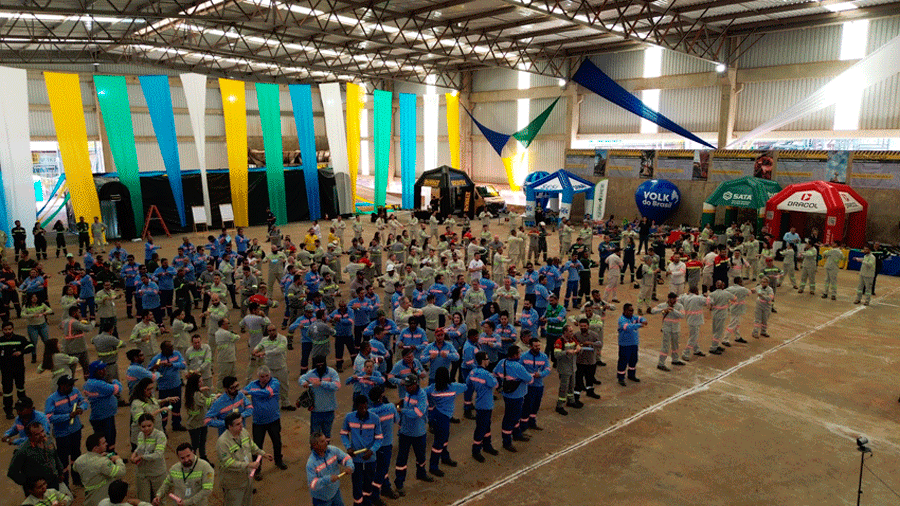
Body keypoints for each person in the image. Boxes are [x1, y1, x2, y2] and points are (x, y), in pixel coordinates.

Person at [216, 412, 271, 506]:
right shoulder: (222, 442)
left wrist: (263, 453)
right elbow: (228, 463)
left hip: (247, 477)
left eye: (241, 422)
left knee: (247, 501)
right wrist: (248, 465)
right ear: (230, 426)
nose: (241, 425)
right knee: (234, 503)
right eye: (238, 424)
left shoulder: (244, 432)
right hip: (233, 482)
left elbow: (252, 446)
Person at [244, 365, 287, 477]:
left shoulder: (275, 383)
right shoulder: (252, 384)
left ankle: (278, 461)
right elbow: (243, 392)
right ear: (258, 376)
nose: (265, 379)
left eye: (267, 376)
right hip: (258, 422)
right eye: (262, 377)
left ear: (270, 375)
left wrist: (251, 392)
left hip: (273, 420)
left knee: (277, 442)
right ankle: (257, 469)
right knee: (257, 447)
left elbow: (267, 392)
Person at [339, 394, 382, 505]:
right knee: (356, 483)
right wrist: (348, 447)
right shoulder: (349, 417)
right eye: (361, 408)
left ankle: (367, 503)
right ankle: (358, 503)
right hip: (356, 460)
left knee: (368, 483)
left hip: (370, 459)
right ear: (356, 407)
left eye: (365, 407)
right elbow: (343, 434)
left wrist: (372, 450)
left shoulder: (375, 418)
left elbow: (379, 438)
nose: (364, 410)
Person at [393, 374, 433, 493]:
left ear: (415, 384)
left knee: (421, 456)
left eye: (409, 386)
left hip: (418, 433)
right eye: (406, 386)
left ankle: (421, 473)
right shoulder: (408, 393)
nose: (406, 388)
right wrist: (402, 404)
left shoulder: (422, 395)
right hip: (405, 432)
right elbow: (408, 405)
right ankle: (399, 482)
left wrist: (402, 410)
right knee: (401, 459)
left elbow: (418, 413)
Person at [46, 374, 87, 485]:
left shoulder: (75, 391)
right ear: (62, 386)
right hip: (62, 434)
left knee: (76, 455)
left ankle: (77, 480)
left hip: (76, 430)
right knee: (63, 461)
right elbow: (49, 417)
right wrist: (68, 416)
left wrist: (81, 408)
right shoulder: (52, 399)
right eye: (69, 385)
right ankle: (65, 485)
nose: (72, 386)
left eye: (72, 384)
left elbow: (83, 401)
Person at [424, 367, 465, 476]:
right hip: (444, 418)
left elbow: (422, 393)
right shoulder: (453, 387)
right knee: (439, 442)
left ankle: (445, 457)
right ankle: (433, 466)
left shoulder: (432, 389)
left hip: (436, 415)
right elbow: (466, 386)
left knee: (443, 439)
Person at [7, 422, 66, 495]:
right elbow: (12, 473)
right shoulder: (22, 451)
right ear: (29, 436)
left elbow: (55, 456)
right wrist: (29, 485)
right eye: (37, 434)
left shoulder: (48, 441)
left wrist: (60, 472)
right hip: (37, 490)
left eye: (42, 431)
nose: (42, 435)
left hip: (53, 482)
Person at [72, 432, 126, 506]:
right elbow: (121, 472)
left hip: (89, 499)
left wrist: (99, 456)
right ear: (95, 448)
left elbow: (75, 468)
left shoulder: (79, 460)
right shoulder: (103, 462)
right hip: (102, 499)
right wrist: (118, 459)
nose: (106, 444)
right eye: (103, 443)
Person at [495, 346, 533, 451]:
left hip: (506, 394)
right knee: (511, 417)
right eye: (519, 353)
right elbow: (529, 379)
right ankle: (507, 442)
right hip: (517, 396)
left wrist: (499, 385)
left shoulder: (502, 362)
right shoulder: (518, 366)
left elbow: (495, 373)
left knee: (513, 415)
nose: (520, 355)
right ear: (515, 355)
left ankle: (517, 434)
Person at [368, 386, 399, 501]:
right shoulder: (390, 407)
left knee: (381, 468)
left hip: (373, 446)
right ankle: (374, 494)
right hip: (386, 445)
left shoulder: (369, 413)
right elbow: (397, 420)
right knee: (382, 470)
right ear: (381, 397)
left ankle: (386, 488)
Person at [83, 361, 122, 452]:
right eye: (101, 370)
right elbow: (118, 389)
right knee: (106, 440)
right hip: (103, 417)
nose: (104, 371)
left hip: (103, 415)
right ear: (95, 371)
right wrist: (115, 381)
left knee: (109, 438)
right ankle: (108, 456)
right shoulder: (97, 384)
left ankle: (111, 454)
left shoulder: (91, 382)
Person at [306, 431, 354, 506]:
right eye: (322, 441)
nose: (326, 442)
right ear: (315, 445)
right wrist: (328, 479)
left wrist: (349, 466)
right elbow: (312, 484)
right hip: (321, 500)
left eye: (325, 440)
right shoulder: (311, 463)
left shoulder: (333, 450)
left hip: (335, 493)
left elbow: (346, 458)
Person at [299, 355, 341, 439]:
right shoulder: (311, 373)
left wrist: (321, 383)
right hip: (316, 411)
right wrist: (303, 382)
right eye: (318, 365)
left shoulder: (332, 372)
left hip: (329, 410)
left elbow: (337, 385)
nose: (320, 367)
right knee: (315, 437)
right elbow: (301, 378)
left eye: (322, 365)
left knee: (327, 436)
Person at [253, 324, 292, 409]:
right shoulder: (264, 340)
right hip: (269, 368)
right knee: (270, 388)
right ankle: (272, 405)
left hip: (281, 367)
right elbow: (260, 345)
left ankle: (285, 403)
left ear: (276, 330)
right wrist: (255, 350)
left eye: (273, 330)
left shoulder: (282, 339)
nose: (272, 332)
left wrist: (265, 353)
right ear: (267, 332)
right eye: (270, 331)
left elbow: (279, 350)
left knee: (284, 386)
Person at [130, 378, 177, 449]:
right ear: (142, 390)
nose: (151, 391)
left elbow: (155, 402)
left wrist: (166, 399)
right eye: (148, 389)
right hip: (142, 440)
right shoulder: (136, 404)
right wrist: (160, 410)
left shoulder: (148, 397)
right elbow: (141, 420)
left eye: (152, 388)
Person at [149, 341, 186, 431]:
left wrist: (172, 364)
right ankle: (163, 428)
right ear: (163, 349)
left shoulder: (177, 354)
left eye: (172, 347)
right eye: (169, 348)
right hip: (164, 388)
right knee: (164, 410)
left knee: (177, 407)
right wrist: (154, 367)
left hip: (176, 386)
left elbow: (183, 365)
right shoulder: (157, 358)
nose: (172, 349)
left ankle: (176, 424)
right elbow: (148, 370)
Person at [132, 413, 168, 502]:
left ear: (153, 423)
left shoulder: (160, 435)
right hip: (142, 473)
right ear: (139, 426)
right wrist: (134, 454)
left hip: (157, 473)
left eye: (149, 425)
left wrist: (141, 457)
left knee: (160, 501)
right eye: (143, 427)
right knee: (143, 501)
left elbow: (158, 454)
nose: (146, 429)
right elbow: (139, 448)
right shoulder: (140, 435)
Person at [0, 320, 31, 419]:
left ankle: (23, 408)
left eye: (9, 329)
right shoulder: (0, 341)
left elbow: (30, 346)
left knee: (20, 388)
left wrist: (21, 352)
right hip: (6, 370)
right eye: (5, 330)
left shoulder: (20, 339)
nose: (8, 331)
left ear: (13, 329)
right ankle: (8, 411)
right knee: (7, 391)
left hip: (19, 369)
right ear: (2, 330)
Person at [650, 292, 685, 372]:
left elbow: (682, 315)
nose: (673, 300)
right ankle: (661, 363)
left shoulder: (679, 306)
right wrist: (663, 310)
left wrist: (673, 310)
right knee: (665, 346)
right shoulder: (663, 305)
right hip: (667, 328)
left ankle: (675, 359)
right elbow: (653, 310)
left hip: (676, 328)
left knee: (675, 345)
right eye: (672, 299)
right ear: (669, 299)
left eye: (674, 299)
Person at [184, 372, 213, 462]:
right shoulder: (197, 395)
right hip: (197, 424)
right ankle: (196, 459)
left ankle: (200, 458)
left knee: (198, 443)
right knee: (198, 444)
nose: (202, 383)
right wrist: (215, 397)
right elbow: (207, 402)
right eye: (200, 381)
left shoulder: (190, 392)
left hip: (197, 423)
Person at [60, 306, 94, 379]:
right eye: (78, 312)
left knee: (71, 370)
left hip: (69, 348)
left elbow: (60, 326)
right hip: (79, 348)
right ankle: (88, 382)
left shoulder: (65, 321)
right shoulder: (75, 322)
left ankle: (70, 383)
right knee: (86, 368)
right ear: (74, 313)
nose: (80, 314)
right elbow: (88, 328)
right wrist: (92, 322)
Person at [617, 304, 646, 386]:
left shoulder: (633, 317)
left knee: (633, 360)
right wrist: (639, 325)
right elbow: (627, 327)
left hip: (634, 344)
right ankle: (621, 378)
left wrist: (644, 320)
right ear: (625, 311)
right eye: (630, 310)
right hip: (625, 345)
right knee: (623, 361)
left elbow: (640, 318)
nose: (631, 312)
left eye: (632, 310)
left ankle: (631, 375)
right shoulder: (622, 320)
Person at [677, 286, 709, 360]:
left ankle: (696, 349)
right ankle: (686, 353)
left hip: (689, 319)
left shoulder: (684, 297)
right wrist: (706, 296)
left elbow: (678, 300)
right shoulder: (698, 298)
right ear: (696, 291)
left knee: (694, 335)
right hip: (695, 320)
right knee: (693, 337)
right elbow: (708, 302)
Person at [573, 319, 601, 402]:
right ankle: (576, 397)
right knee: (578, 380)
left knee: (590, 378)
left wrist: (590, 343)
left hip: (591, 361)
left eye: (584, 326)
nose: (583, 327)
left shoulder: (594, 335)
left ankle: (590, 392)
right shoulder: (576, 335)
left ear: (588, 326)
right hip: (580, 361)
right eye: (581, 326)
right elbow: (573, 344)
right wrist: (579, 345)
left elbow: (600, 344)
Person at [707, 281, 734, 355]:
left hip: (714, 314)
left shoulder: (712, 294)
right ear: (723, 286)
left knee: (715, 330)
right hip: (721, 315)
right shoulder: (726, 293)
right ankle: (713, 347)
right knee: (719, 332)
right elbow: (734, 298)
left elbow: (709, 304)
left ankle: (717, 345)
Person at [725, 278, 752, 345]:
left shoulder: (729, 288)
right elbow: (749, 293)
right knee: (733, 323)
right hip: (738, 308)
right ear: (740, 282)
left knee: (737, 323)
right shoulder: (743, 289)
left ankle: (737, 336)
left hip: (732, 307)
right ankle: (725, 339)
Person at [214, 319, 241, 385]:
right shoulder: (226, 333)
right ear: (222, 325)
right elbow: (237, 337)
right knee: (224, 377)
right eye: (227, 323)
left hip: (227, 358)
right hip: (227, 358)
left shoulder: (218, 333)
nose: (229, 325)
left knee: (229, 377)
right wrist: (233, 333)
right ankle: (221, 390)